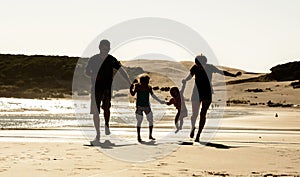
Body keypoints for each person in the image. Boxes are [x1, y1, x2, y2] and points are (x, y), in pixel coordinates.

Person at [182, 54, 241, 142]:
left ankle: (198, 134)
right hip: (196, 93)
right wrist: (185, 80)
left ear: (205, 62)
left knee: (203, 114)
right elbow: (190, 75)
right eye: (198, 65)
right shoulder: (194, 68)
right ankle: (193, 128)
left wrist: (234, 75)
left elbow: (222, 72)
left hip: (207, 93)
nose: (200, 67)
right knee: (194, 115)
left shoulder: (210, 67)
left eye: (201, 65)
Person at [85, 39, 131, 144]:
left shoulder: (111, 59)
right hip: (96, 89)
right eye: (104, 47)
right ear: (100, 47)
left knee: (106, 108)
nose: (106, 49)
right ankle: (98, 134)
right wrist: (93, 75)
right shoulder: (94, 59)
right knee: (95, 112)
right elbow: (87, 71)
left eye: (108, 48)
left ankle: (106, 124)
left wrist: (129, 81)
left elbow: (121, 70)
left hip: (107, 88)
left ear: (109, 48)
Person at [130, 75, 164, 142]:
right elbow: (133, 94)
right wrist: (131, 89)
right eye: (146, 81)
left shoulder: (149, 88)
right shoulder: (138, 87)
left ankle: (150, 135)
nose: (147, 83)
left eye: (148, 82)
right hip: (139, 106)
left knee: (150, 120)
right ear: (142, 81)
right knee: (139, 121)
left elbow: (153, 95)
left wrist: (160, 101)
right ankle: (139, 136)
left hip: (146, 106)